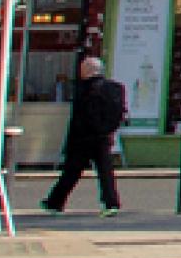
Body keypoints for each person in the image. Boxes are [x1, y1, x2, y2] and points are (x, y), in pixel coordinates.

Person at [41, 54, 127, 216]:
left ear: (87, 71)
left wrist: (70, 142)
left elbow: (79, 117)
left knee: (71, 172)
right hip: (103, 137)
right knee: (105, 172)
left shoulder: (84, 89)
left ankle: (55, 202)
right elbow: (119, 112)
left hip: (83, 138)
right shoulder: (115, 88)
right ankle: (111, 203)